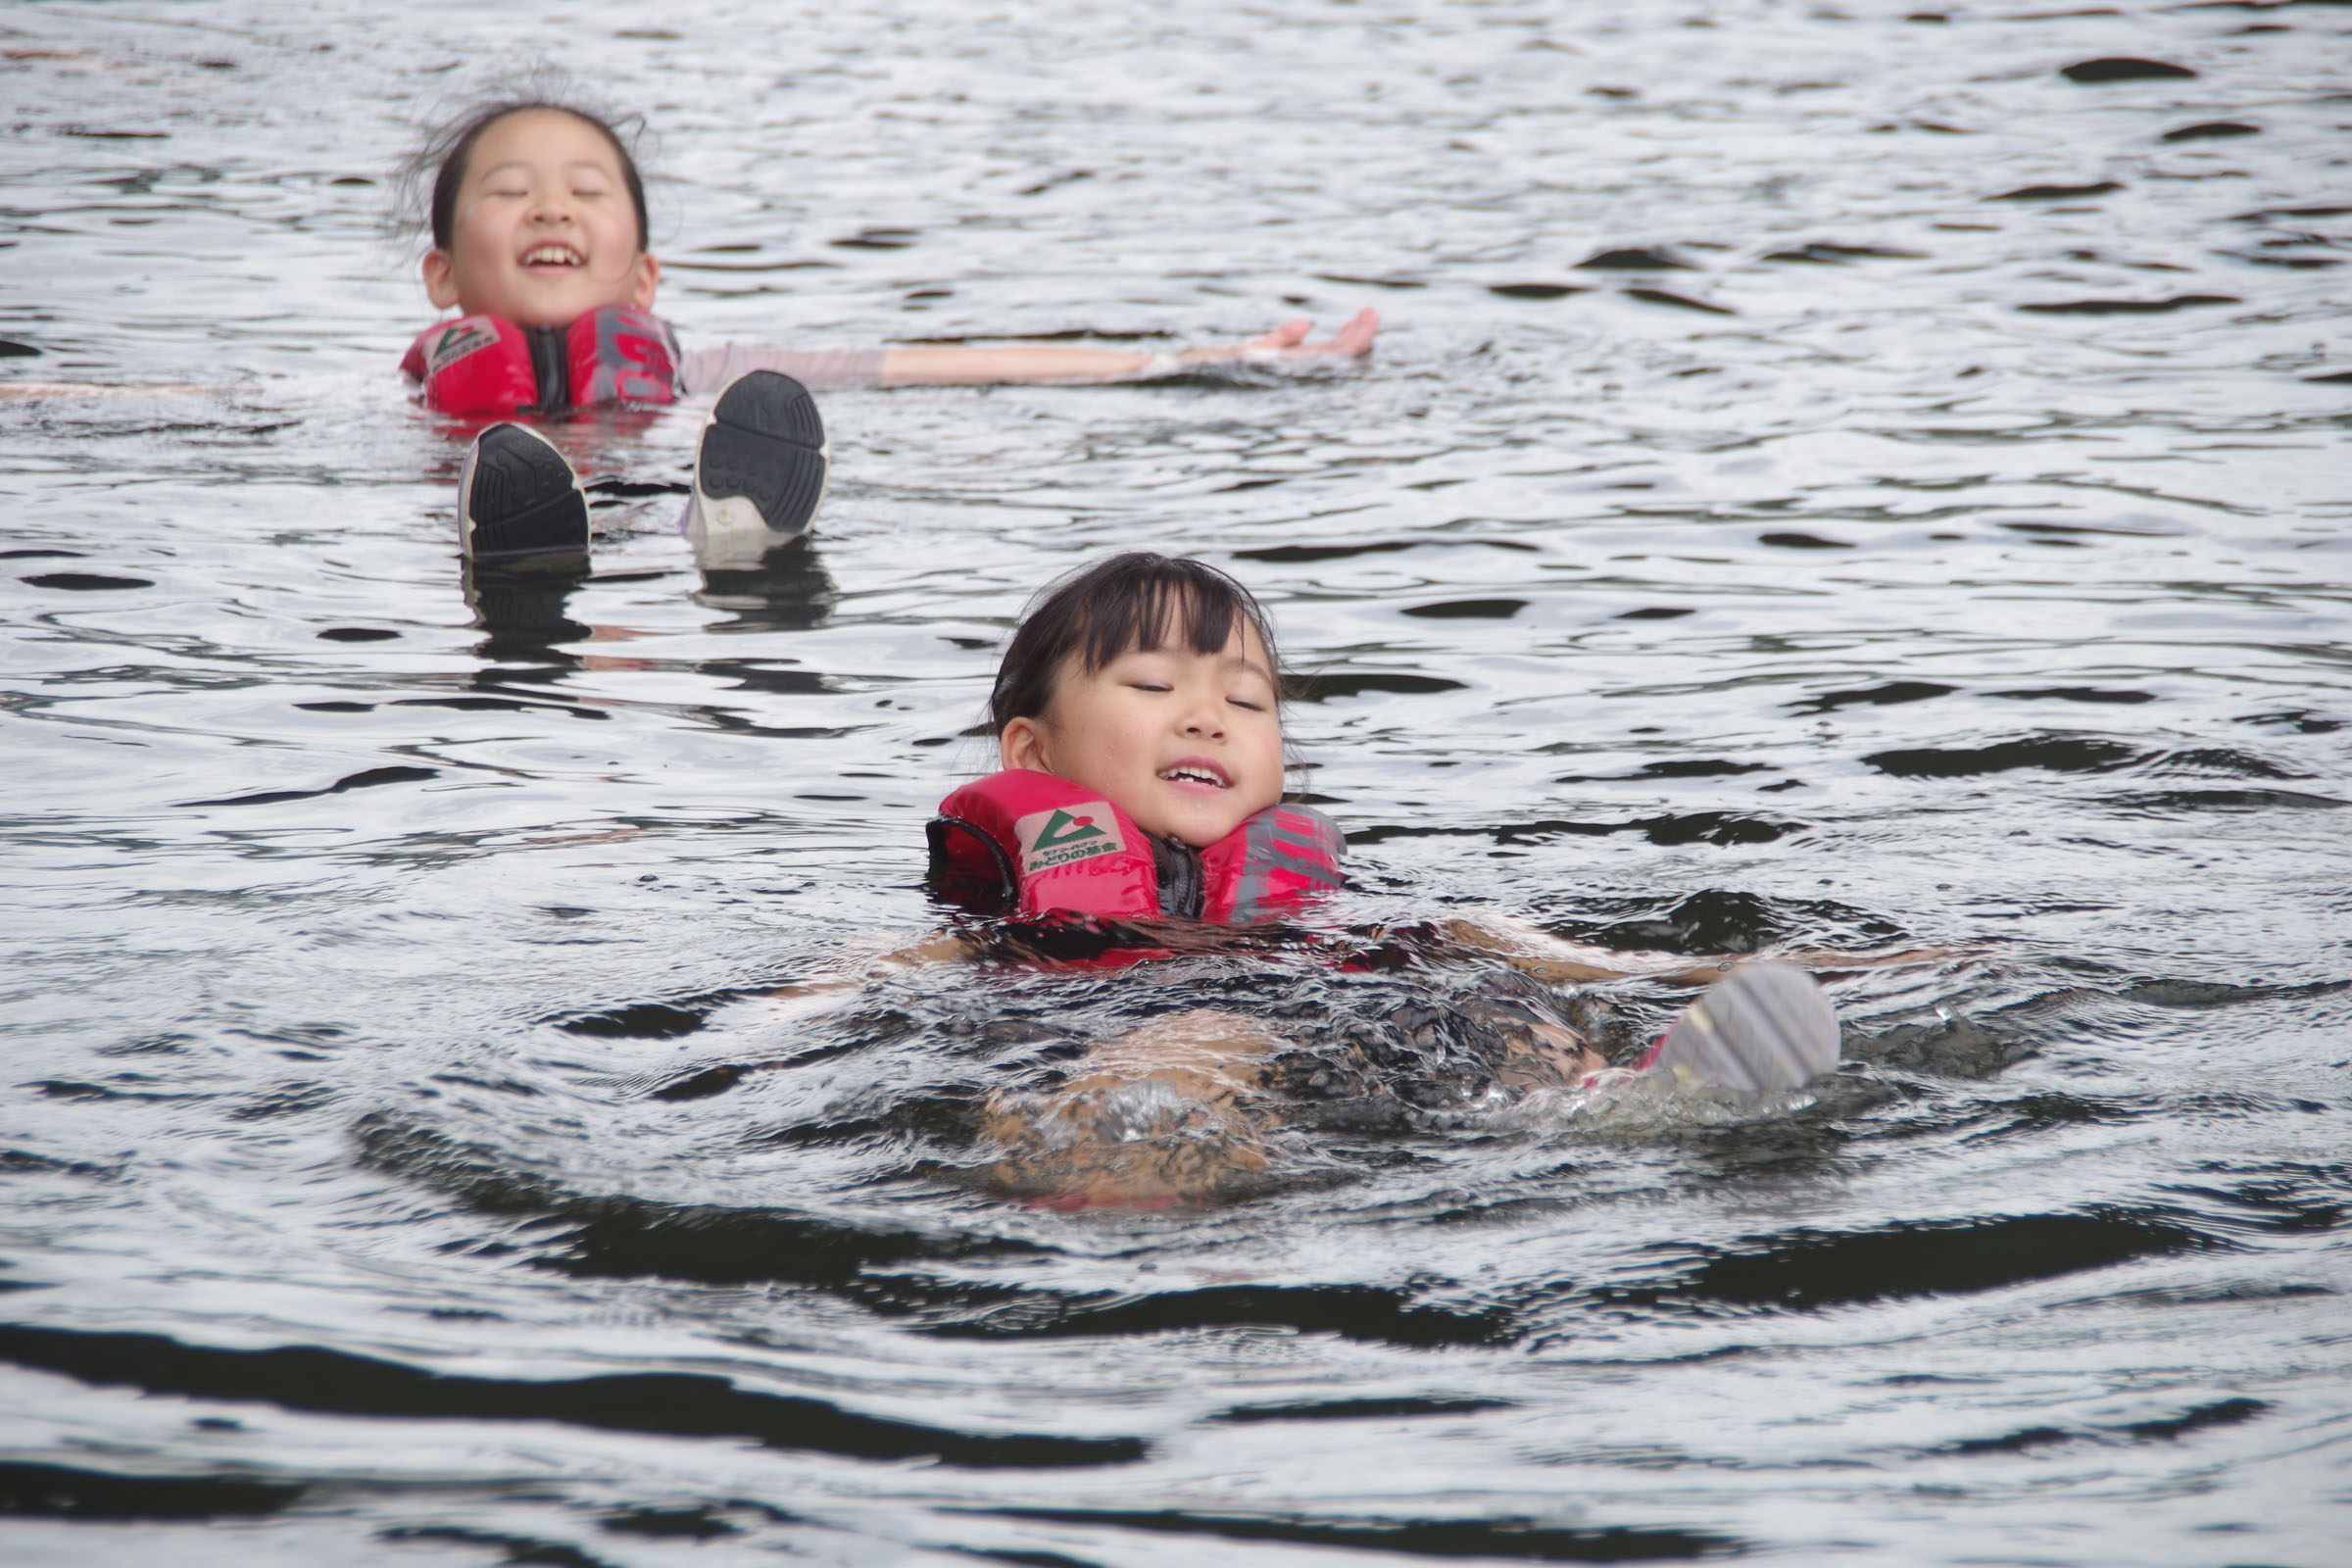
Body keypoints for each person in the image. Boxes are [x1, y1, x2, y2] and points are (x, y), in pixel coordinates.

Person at [815, 552, 1928, 1205]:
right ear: (1031, 758)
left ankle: (1619, 1104)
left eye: (1247, 703)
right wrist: (794, 1012)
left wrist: (1790, 967)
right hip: (1126, 1027)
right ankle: (1123, 1170)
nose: (1209, 713)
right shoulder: (1015, 923)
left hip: (1349, 1021)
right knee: (1197, 1045)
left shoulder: (1316, 901)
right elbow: (886, 968)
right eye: (1154, 684)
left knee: (1493, 990)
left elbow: (1587, 957)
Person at [408, 99, 1380, 567]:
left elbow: (946, 366)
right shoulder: (404, 399)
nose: (550, 209)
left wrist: (1197, 358)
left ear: (647, 279)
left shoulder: (712, 375)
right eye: (509, 191)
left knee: (720, 475)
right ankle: (521, 534)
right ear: (442, 273)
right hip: (484, 503)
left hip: (661, 492)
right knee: (494, 485)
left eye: (585, 191)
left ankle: (730, 527)